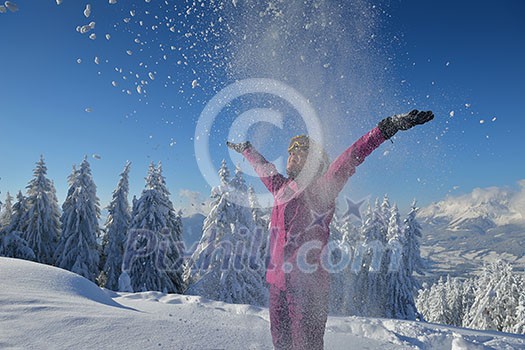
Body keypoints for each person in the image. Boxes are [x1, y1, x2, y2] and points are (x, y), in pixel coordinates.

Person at [227, 109, 434, 349]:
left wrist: (386, 129)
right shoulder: (281, 187)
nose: (292, 156)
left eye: (299, 152)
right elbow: (264, 168)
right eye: (291, 152)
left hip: (307, 290)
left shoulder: (323, 188)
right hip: (278, 284)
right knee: (281, 344)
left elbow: (351, 157)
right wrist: (247, 149)